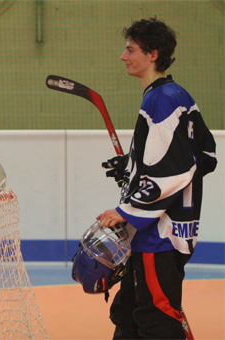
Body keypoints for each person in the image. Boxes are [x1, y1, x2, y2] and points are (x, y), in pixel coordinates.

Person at [97, 17, 217, 339]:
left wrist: (126, 211)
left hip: (158, 236)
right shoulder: (176, 95)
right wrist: (134, 168)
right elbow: (204, 155)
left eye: (130, 49)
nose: (124, 56)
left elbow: (176, 169)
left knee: (155, 320)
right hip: (162, 233)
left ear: (153, 54)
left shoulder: (161, 99)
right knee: (127, 313)